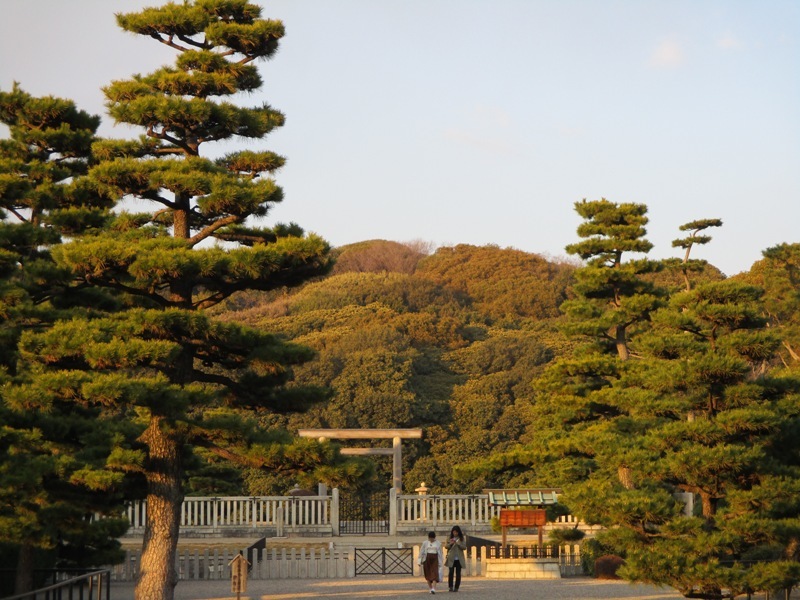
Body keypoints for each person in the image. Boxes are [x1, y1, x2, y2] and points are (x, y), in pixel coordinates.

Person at [445, 525, 466, 592]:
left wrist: (458, 544)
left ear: (458, 532)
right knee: (451, 572)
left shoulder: (461, 538)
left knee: (458, 573)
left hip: (459, 558)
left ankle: (456, 587)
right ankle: (450, 586)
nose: (455, 533)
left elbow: (464, 547)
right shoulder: (449, 538)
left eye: (456, 532)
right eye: (454, 532)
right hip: (451, 557)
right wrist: (451, 544)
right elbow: (446, 546)